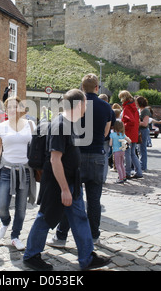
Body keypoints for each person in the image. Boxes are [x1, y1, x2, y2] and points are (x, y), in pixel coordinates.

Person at [23, 89, 110, 271]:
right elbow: (55, 159)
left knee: (79, 218)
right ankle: (31, 255)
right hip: (57, 183)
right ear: (79, 105)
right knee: (46, 217)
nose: (87, 106)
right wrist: (64, 189)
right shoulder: (60, 125)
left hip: (71, 180)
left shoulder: (70, 123)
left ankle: (87, 257)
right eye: (86, 103)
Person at [48, 74, 112, 247]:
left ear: (82, 88)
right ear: (97, 88)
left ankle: (61, 237)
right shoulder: (106, 107)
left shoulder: (77, 105)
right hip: (97, 155)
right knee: (94, 200)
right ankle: (94, 236)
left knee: (73, 198)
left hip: (76, 155)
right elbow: (106, 133)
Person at [0, 96, 36, 250]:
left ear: (20, 108)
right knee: (2, 205)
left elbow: (36, 149)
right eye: (9, 107)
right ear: (5, 109)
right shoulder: (1, 127)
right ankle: (5, 221)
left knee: (21, 208)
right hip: (6, 171)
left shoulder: (30, 125)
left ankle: (15, 236)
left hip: (24, 171)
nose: (12, 109)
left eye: (15, 106)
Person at [119, 90, 142, 179]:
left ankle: (127, 172)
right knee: (132, 154)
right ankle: (138, 171)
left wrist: (122, 126)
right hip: (134, 133)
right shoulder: (134, 107)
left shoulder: (127, 108)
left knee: (127, 154)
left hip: (128, 134)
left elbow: (130, 121)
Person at [99, 94, 116, 183]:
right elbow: (113, 124)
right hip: (105, 137)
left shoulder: (92, 107)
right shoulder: (110, 110)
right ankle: (103, 178)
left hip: (94, 137)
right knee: (104, 157)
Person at [136, 96, 151, 171]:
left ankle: (143, 166)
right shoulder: (140, 110)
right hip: (139, 130)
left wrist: (136, 122)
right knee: (139, 149)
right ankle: (141, 165)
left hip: (143, 131)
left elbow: (145, 123)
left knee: (142, 149)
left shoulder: (145, 110)